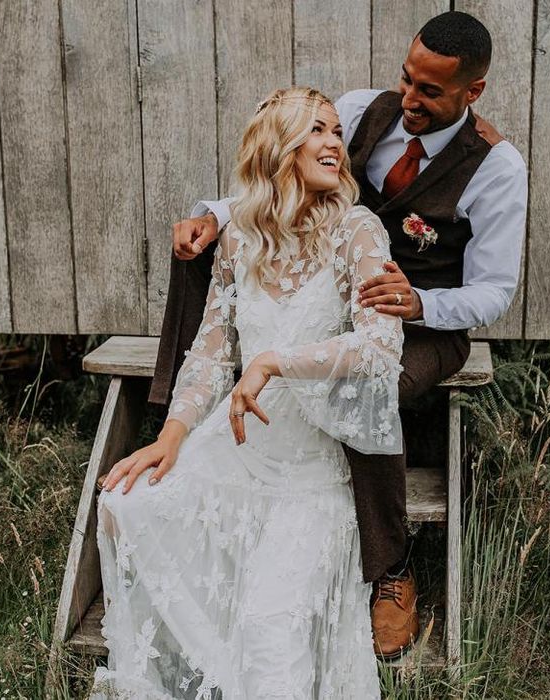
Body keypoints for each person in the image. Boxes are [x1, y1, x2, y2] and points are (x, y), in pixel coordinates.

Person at [151, 11, 528, 658]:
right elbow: (287, 161)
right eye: (408, 80)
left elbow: (495, 292)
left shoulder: (496, 169)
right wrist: (213, 215)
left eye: (430, 92)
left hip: (422, 322)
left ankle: (390, 570)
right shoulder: (362, 112)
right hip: (330, 290)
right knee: (197, 252)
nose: (410, 99)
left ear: (473, 91)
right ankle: (173, 423)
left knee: (365, 384)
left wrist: (418, 303)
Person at [89, 87, 402, 699]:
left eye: (337, 131)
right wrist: (170, 437)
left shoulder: (358, 232)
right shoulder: (239, 240)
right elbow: (209, 350)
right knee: (126, 506)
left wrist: (274, 361)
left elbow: (380, 347)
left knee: (267, 631)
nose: (334, 142)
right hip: (236, 452)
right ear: (279, 146)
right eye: (316, 129)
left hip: (308, 479)